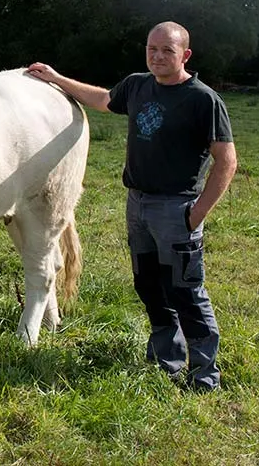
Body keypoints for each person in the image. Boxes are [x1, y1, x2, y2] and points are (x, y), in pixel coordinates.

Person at [26, 21, 237, 392]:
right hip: (138, 204)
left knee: (186, 290)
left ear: (185, 55)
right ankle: (166, 361)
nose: (157, 56)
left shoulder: (203, 99)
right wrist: (57, 78)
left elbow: (227, 160)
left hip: (176, 209)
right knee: (149, 286)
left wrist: (198, 211)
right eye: (152, 49)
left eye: (167, 51)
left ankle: (205, 375)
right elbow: (102, 100)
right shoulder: (138, 85)